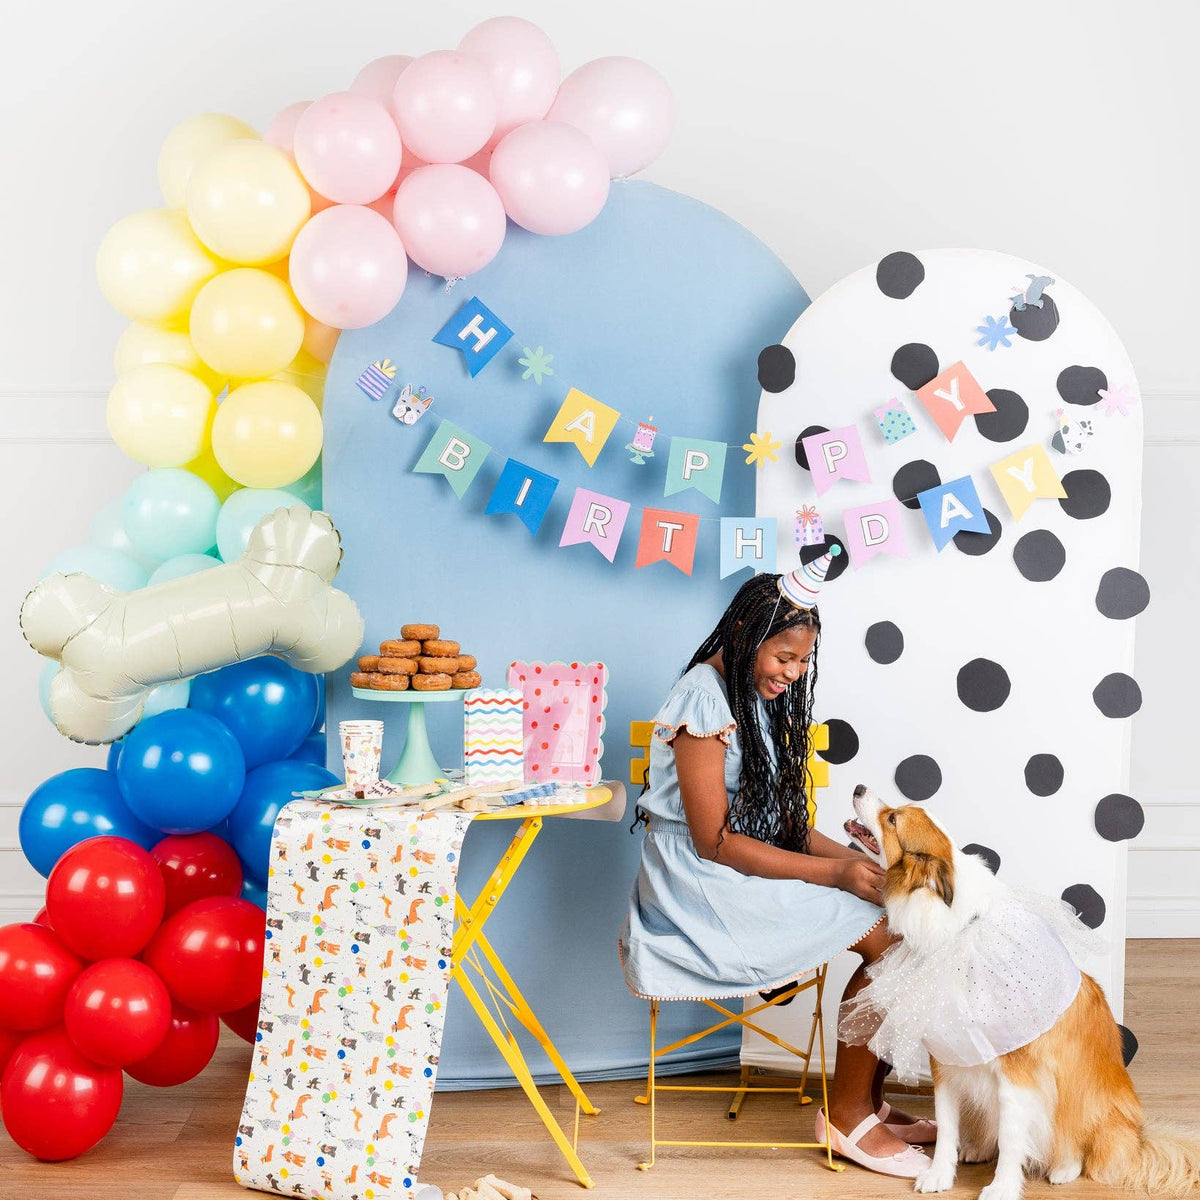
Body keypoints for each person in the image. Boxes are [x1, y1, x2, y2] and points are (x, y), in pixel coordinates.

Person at [619, 556, 934, 1178]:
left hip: (738, 864)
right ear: (744, 637)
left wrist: (863, 865)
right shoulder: (702, 699)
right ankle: (846, 1116)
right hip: (699, 884)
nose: (791, 674)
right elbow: (714, 842)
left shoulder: (755, 695)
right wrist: (838, 877)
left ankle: (867, 1101)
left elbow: (782, 829)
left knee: (903, 916)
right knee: (890, 941)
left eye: (801, 663)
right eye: (782, 658)